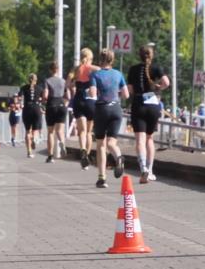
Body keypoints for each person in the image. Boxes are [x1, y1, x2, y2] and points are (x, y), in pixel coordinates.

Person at [127, 45, 171, 183]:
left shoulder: (133, 69)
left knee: (140, 140)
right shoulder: (157, 68)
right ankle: (151, 170)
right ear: (151, 56)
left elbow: (129, 90)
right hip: (153, 104)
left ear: (139, 55)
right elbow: (166, 82)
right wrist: (159, 88)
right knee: (150, 139)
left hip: (138, 104)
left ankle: (143, 169)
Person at [89, 49, 130, 188]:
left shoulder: (95, 74)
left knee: (101, 144)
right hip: (116, 110)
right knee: (111, 143)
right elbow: (126, 95)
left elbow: (93, 93)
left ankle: (102, 178)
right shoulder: (118, 74)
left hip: (101, 110)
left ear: (100, 60)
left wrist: (93, 91)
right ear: (112, 60)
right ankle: (118, 157)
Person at [69, 48, 99, 170]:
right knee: (88, 132)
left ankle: (82, 150)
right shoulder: (91, 69)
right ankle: (86, 154)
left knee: (81, 131)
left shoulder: (75, 69)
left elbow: (68, 84)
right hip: (90, 102)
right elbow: (101, 70)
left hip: (78, 101)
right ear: (90, 58)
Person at [42, 61, 69, 163]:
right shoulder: (63, 81)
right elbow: (69, 95)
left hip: (51, 104)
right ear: (58, 70)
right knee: (60, 130)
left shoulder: (47, 81)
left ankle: (50, 156)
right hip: (61, 105)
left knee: (50, 132)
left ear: (50, 70)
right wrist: (65, 103)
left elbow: (45, 95)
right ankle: (62, 142)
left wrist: (44, 100)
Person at [18, 73, 43, 158]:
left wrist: (20, 103)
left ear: (28, 80)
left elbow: (19, 97)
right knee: (35, 130)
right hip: (36, 108)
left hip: (27, 109)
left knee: (28, 131)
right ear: (36, 80)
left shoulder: (24, 88)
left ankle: (29, 151)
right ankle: (34, 139)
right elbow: (44, 99)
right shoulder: (39, 88)